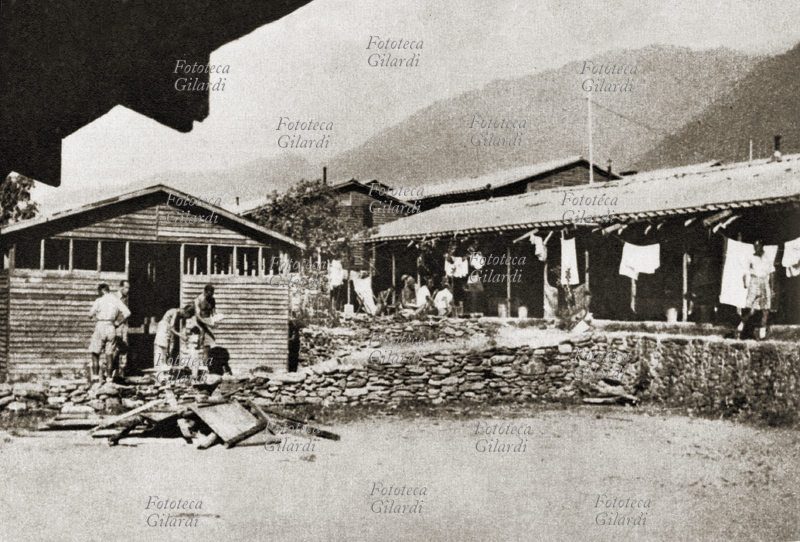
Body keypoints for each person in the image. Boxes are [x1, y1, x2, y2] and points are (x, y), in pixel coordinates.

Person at [88, 283, 131, 383]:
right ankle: (109, 379)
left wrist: (96, 315)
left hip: (101, 325)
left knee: (95, 353)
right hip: (111, 326)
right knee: (109, 354)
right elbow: (127, 313)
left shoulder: (99, 300)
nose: (98, 294)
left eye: (99, 292)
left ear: (102, 291)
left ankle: (95, 378)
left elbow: (90, 315)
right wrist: (118, 322)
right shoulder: (116, 300)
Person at [736, 240, 773, 340]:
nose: (756, 248)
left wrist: (771, 287)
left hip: (764, 281)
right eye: (754, 246)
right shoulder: (751, 257)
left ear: (762, 246)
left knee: (765, 307)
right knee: (750, 306)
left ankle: (762, 330)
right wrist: (745, 282)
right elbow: (745, 271)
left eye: (758, 246)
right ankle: (742, 324)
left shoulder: (768, 258)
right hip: (754, 281)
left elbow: (771, 272)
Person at [154, 304, 195, 369]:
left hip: (168, 329)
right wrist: (180, 335)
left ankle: (164, 366)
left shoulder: (181, 315)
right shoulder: (176, 312)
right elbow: (171, 327)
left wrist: (185, 334)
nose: (186, 318)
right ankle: (158, 367)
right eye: (188, 316)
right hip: (164, 328)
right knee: (161, 346)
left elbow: (182, 327)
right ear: (186, 312)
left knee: (168, 348)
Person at [110, 280, 130, 379]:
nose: (128, 290)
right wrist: (115, 323)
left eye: (128, 288)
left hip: (123, 326)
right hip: (115, 326)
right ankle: (112, 372)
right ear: (121, 287)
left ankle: (121, 374)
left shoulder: (126, 298)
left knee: (124, 348)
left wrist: (122, 322)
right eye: (126, 288)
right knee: (114, 348)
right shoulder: (114, 297)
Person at [194, 284, 217, 359]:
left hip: (208, 322)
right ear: (205, 292)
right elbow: (198, 316)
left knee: (208, 343)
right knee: (200, 341)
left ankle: (206, 361)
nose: (210, 296)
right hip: (199, 322)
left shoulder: (212, 300)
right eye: (209, 294)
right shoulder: (198, 300)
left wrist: (215, 320)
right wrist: (208, 324)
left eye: (212, 295)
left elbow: (213, 312)